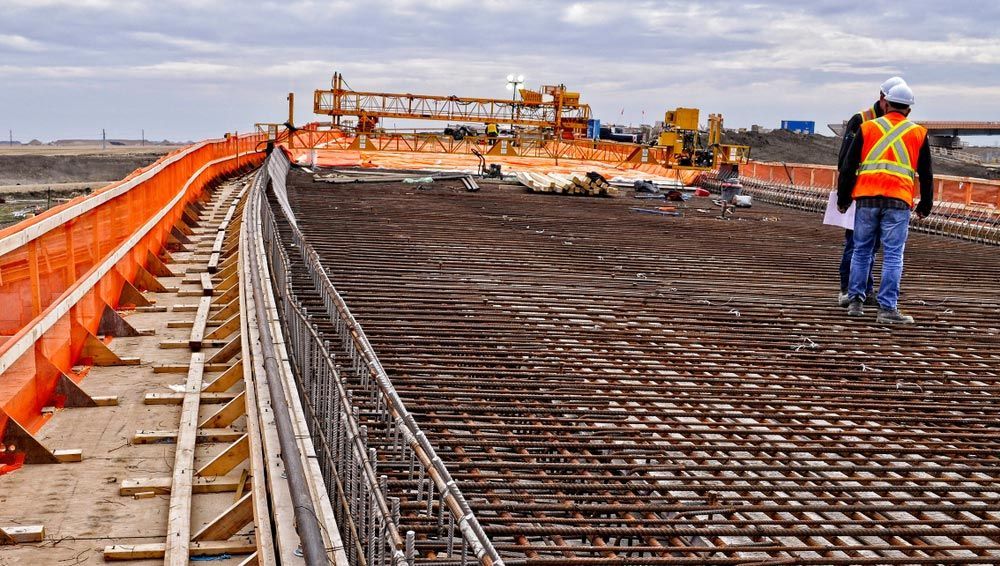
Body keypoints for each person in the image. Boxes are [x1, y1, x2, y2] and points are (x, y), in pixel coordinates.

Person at [837, 82, 933, 324]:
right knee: (892, 255)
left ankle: (856, 302)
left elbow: (848, 166)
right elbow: (926, 173)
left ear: (886, 103)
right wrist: (926, 205)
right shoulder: (918, 133)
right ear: (909, 110)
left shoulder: (867, 127)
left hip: (867, 198)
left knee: (861, 251)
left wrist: (843, 199)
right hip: (898, 200)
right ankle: (887, 309)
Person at [835, 76, 906, 307]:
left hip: (884, 194)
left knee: (870, 246)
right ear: (883, 99)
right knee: (856, 245)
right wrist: (844, 195)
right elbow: (845, 160)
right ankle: (849, 290)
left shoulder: (896, 123)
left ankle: (865, 290)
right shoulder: (862, 120)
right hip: (861, 192)